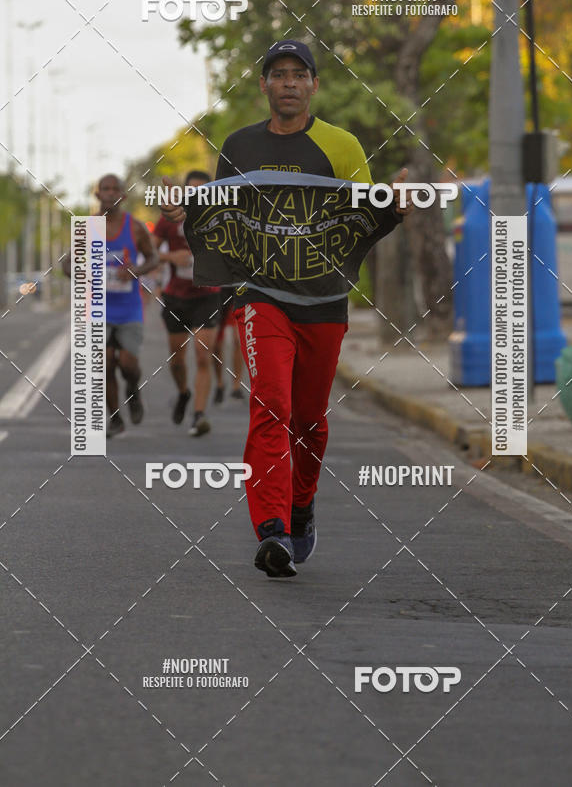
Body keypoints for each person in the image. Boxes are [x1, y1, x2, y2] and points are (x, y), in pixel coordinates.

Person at [160, 39, 414, 577]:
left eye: (300, 74)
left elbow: (361, 219)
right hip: (263, 296)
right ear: (265, 86)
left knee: (309, 422)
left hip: (323, 301)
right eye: (279, 74)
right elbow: (222, 214)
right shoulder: (239, 146)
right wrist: (191, 212)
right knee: (270, 403)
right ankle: (271, 529)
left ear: (314, 85)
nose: (290, 83)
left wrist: (395, 204)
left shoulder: (341, 147)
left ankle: (301, 506)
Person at [63, 174, 158, 438]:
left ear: (123, 196)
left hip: (128, 307)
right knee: (104, 364)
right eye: (105, 189)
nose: (110, 193)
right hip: (98, 307)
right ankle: (115, 418)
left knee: (128, 363)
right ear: (97, 195)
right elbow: (67, 264)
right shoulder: (88, 226)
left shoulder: (135, 227)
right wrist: (82, 274)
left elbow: (153, 258)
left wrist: (136, 270)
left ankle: (133, 389)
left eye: (115, 189)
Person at [152, 170, 222, 436]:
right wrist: (171, 257)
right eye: (192, 191)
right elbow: (150, 252)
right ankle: (183, 393)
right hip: (176, 297)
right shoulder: (169, 219)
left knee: (203, 355)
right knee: (177, 361)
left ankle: (199, 415)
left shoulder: (218, 218)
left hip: (208, 295)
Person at [213, 286, 244, 403]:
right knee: (216, 343)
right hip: (218, 289)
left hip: (236, 288)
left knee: (238, 339)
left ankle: (236, 386)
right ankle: (220, 383)